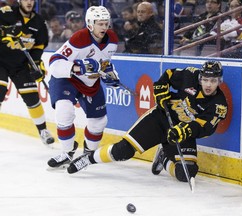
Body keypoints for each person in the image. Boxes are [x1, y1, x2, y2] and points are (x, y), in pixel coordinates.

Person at [67, 61, 228, 186]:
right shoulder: (190, 75)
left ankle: (164, 158)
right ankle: (88, 159)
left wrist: (183, 131)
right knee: (123, 151)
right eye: (205, 79)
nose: (208, 84)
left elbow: (203, 127)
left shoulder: (218, 105)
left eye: (213, 80)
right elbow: (168, 76)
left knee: (186, 173)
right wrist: (161, 89)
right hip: (160, 118)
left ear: (219, 81)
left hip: (181, 132)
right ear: (200, 77)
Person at [47, 6, 120, 168]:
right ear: (89, 24)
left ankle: (88, 155)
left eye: (106, 23)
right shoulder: (79, 38)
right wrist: (78, 67)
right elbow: (54, 62)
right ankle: (66, 153)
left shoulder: (113, 39)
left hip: (90, 82)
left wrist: (111, 74)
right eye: (99, 24)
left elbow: (105, 63)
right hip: (68, 79)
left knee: (100, 122)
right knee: (64, 110)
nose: (104, 27)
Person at [0, 0, 54, 145]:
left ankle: (43, 130)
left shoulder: (39, 23)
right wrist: (6, 31)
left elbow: (38, 47)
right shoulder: (6, 13)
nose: (29, 2)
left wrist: (36, 64)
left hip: (21, 65)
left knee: (32, 98)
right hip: (1, 61)